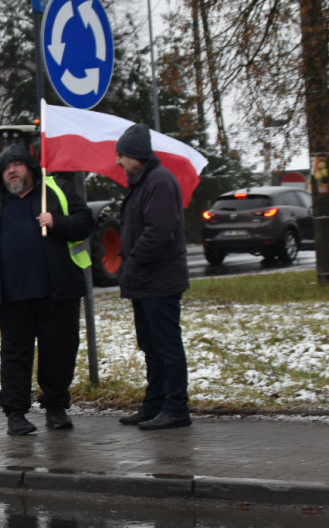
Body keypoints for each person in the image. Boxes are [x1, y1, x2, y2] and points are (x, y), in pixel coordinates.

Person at [0, 144, 94, 436]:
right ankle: (16, 413)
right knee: (14, 356)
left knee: (58, 353)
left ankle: (56, 408)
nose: (12, 171)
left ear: (31, 168)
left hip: (58, 293)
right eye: (7, 166)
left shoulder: (56, 192)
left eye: (18, 164)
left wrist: (57, 222)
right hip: (11, 297)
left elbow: (85, 223)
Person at [114, 124, 192, 431]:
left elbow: (159, 231)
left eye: (121, 155)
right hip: (146, 282)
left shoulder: (159, 181)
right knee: (151, 345)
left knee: (166, 345)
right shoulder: (141, 182)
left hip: (159, 280)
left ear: (135, 156)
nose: (118, 161)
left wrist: (132, 264)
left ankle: (176, 407)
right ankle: (155, 403)